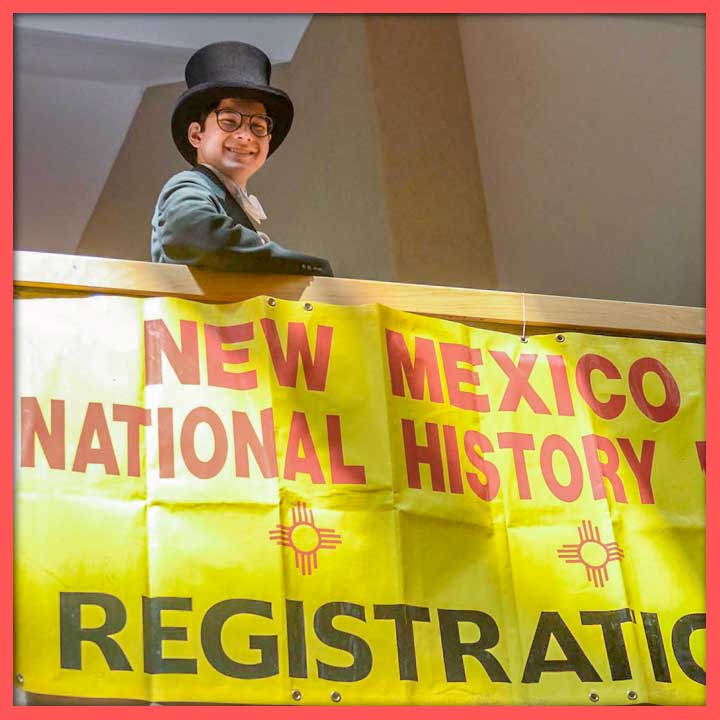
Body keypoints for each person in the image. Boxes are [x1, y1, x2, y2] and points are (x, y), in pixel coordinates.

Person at [151, 41, 334, 276]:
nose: (245, 136)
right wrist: (300, 266)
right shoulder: (189, 185)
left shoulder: (228, 199)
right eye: (229, 121)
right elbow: (192, 230)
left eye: (257, 125)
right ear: (196, 134)